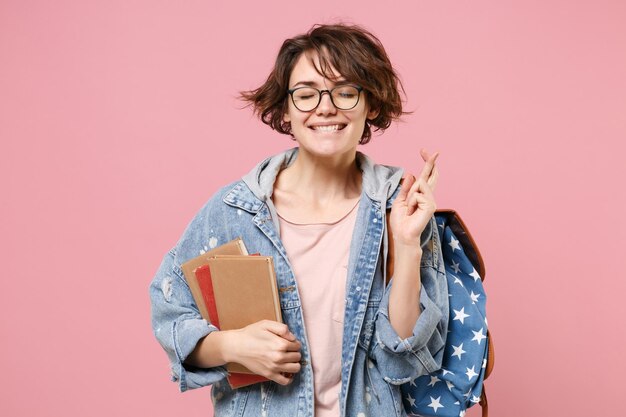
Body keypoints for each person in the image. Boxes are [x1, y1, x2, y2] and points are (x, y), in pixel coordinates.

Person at [149, 23, 449, 417]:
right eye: (306, 95)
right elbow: (169, 309)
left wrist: (408, 245)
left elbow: (403, 360)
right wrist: (232, 347)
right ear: (286, 111)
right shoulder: (237, 209)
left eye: (345, 92)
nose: (326, 107)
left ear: (371, 104)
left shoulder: (399, 207)